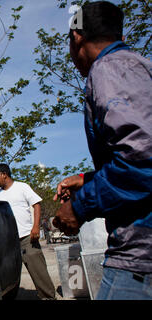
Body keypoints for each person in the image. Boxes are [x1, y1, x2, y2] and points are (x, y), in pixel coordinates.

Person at [53, 1, 151, 300]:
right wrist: (89, 178)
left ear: (77, 37)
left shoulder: (109, 70)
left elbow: (143, 161)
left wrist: (80, 206)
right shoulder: (140, 66)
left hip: (139, 259)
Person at [0, 164, 56, 300]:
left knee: (39, 272)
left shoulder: (22, 187)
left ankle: (48, 297)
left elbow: (36, 204)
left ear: (4, 174)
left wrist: (35, 227)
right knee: (8, 276)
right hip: (10, 243)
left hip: (27, 238)